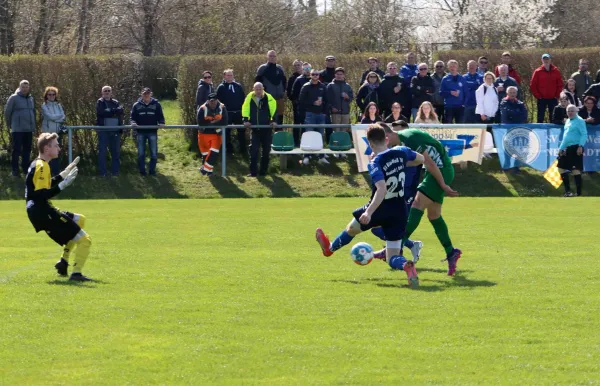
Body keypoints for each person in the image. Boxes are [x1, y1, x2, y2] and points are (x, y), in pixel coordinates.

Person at [315, 124, 426, 288]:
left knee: (352, 229)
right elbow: (421, 159)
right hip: (400, 209)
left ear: (370, 144)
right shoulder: (402, 151)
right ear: (386, 139)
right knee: (392, 257)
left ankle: (329, 250)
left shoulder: (376, 162)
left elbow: (381, 189)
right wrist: (401, 165)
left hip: (380, 207)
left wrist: (368, 212)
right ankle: (405, 266)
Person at [376, 121, 461, 276]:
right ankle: (451, 252)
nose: (385, 146)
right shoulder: (403, 139)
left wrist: (443, 184)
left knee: (417, 204)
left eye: (383, 142)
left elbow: (430, 163)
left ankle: (395, 248)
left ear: (387, 137)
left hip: (440, 171)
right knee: (434, 216)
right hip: (437, 172)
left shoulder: (410, 138)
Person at [25, 133, 92, 281]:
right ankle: (76, 274)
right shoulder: (42, 166)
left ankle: (63, 262)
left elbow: (43, 188)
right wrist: (63, 185)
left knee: (80, 220)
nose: (59, 148)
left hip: (40, 209)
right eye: (56, 145)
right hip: (42, 211)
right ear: (46, 148)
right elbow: (43, 195)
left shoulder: (40, 164)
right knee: (85, 240)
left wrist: (64, 173)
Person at [242, 82, 277, 177]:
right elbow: (245, 109)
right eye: (256, 89)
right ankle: (253, 172)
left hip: (266, 129)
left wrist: (273, 121)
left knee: (266, 152)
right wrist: (245, 120)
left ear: (263, 89)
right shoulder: (249, 97)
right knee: (253, 151)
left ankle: (263, 172)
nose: (258, 91)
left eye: (260, 89)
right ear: (253, 89)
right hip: (255, 129)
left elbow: (274, 110)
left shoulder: (269, 98)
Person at [130, 87, 165, 176]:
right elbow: (132, 117)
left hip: (152, 131)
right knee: (141, 153)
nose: (146, 95)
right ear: (141, 94)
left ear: (151, 94)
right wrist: (133, 123)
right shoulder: (136, 105)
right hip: (141, 132)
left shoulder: (156, 104)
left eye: (148, 93)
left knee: (153, 153)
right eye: (144, 94)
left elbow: (160, 116)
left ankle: (152, 171)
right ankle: (142, 172)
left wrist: (161, 123)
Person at [5, 80, 35, 177]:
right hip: (17, 129)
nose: (25, 89)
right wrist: (10, 125)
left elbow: (32, 113)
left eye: (26, 87)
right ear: (19, 87)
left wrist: (33, 126)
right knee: (16, 149)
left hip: (28, 129)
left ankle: (26, 169)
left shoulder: (31, 98)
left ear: (29, 88)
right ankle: (15, 170)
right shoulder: (13, 98)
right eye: (23, 87)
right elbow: (7, 112)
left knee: (27, 149)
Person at [299, 70, 329, 165]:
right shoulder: (306, 86)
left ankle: (321, 156)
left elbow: (327, 101)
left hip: (320, 114)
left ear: (319, 76)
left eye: (317, 74)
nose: (315, 76)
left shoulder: (323, 86)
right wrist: (312, 102)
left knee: (320, 135)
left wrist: (324, 112)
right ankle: (306, 156)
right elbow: (301, 101)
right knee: (309, 135)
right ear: (310, 76)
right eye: (313, 74)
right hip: (310, 114)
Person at [558, 105, 588, 197]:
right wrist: (561, 148)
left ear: (576, 111)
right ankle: (568, 191)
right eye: (568, 111)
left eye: (572, 111)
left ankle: (578, 193)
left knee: (575, 170)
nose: (570, 113)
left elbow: (584, 134)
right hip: (566, 148)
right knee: (561, 168)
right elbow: (565, 137)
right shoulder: (567, 121)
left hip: (576, 147)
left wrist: (580, 146)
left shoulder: (580, 121)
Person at [197, 93, 228, 176]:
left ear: (217, 100)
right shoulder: (202, 108)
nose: (213, 103)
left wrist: (211, 123)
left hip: (216, 134)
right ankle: (209, 172)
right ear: (208, 101)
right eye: (211, 101)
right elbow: (200, 122)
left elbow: (225, 122)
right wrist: (216, 122)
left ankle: (204, 170)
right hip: (203, 133)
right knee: (205, 154)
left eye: (214, 101)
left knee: (213, 152)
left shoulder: (222, 107)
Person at [216, 69, 246, 155]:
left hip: (238, 112)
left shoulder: (238, 86)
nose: (230, 77)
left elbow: (243, 98)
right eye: (228, 75)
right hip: (227, 113)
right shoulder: (221, 87)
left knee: (241, 131)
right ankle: (229, 150)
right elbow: (218, 100)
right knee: (227, 132)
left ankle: (243, 150)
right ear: (224, 76)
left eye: (231, 75)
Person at [95, 86, 124, 177]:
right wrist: (114, 111)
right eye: (105, 91)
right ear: (102, 92)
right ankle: (103, 173)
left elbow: (121, 111)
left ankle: (115, 172)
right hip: (104, 130)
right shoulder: (100, 102)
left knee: (115, 152)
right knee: (103, 152)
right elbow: (101, 113)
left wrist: (110, 111)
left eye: (108, 91)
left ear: (111, 92)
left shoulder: (115, 102)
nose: (107, 92)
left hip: (115, 130)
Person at [530, 54, 563, 123]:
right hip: (541, 99)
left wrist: (557, 95)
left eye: (547, 59)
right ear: (542, 60)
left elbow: (560, 84)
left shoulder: (556, 71)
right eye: (544, 59)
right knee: (540, 117)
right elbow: (533, 85)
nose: (546, 61)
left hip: (553, 98)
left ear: (550, 60)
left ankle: (554, 132)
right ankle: (539, 132)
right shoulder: (537, 71)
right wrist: (538, 96)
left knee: (553, 117)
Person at [255, 50, 286, 125]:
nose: (272, 58)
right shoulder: (262, 68)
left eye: (274, 56)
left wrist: (283, 92)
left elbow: (284, 82)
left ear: (276, 57)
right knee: (267, 118)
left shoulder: (280, 68)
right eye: (270, 56)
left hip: (279, 99)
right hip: (267, 99)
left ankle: (278, 135)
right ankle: (267, 136)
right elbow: (257, 82)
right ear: (267, 57)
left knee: (279, 119)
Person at [41, 86, 66, 176]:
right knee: (48, 153)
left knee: (56, 153)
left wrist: (56, 119)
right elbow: (49, 117)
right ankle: (46, 173)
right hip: (47, 134)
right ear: (46, 95)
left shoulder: (58, 105)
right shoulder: (44, 105)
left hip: (57, 133)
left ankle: (56, 173)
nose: (51, 96)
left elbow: (63, 117)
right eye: (49, 94)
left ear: (56, 95)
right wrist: (57, 117)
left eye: (53, 94)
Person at [291, 63, 313, 146]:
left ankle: (306, 144)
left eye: (308, 69)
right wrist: (299, 104)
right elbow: (293, 94)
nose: (307, 71)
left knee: (307, 127)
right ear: (302, 70)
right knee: (297, 125)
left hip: (311, 108)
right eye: (305, 69)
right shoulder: (298, 80)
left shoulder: (313, 79)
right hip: (300, 108)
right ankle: (296, 142)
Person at [326, 67, 353, 134]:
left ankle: (343, 144)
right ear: (335, 75)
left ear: (343, 75)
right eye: (337, 74)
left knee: (344, 132)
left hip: (345, 112)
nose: (339, 76)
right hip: (335, 113)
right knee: (336, 132)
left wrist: (347, 97)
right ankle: (336, 144)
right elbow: (326, 99)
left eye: (341, 74)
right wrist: (331, 108)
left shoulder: (347, 86)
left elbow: (351, 98)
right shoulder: (330, 86)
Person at [287, 60, 304, 146]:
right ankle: (296, 142)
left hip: (306, 106)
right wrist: (294, 100)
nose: (297, 67)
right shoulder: (292, 78)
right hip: (296, 105)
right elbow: (289, 92)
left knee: (305, 124)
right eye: (295, 65)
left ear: (302, 66)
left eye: (299, 65)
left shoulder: (306, 77)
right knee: (297, 123)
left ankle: (304, 141)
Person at [400, 52, 419, 118]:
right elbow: (404, 79)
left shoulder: (418, 67)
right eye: (409, 58)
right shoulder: (403, 68)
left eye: (412, 58)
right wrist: (413, 76)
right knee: (406, 115)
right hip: (406, 94)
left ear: (415, 59)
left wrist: (410, 76)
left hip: (416, 95)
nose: (410, 59)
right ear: (406, 59)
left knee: (416, 116)